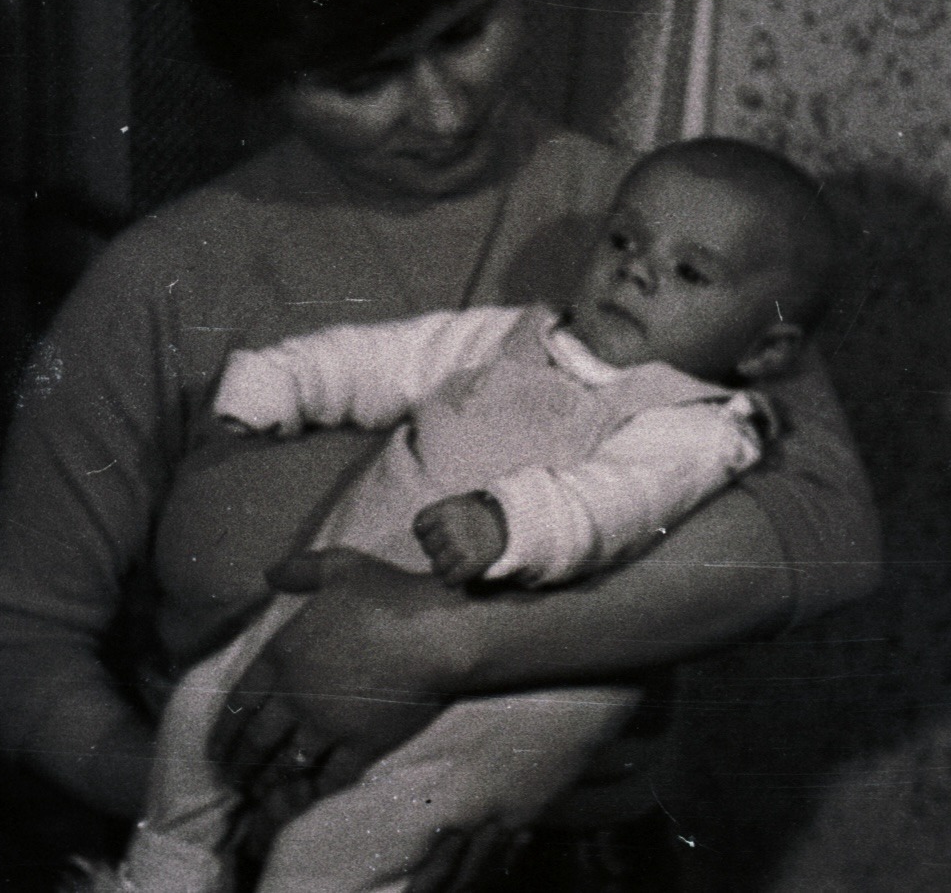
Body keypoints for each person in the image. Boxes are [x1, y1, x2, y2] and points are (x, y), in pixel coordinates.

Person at [0, 0, 881, 889]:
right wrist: (208, 788)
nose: (441, 111)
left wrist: (436, 645)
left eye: (466, 29)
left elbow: (827, 533)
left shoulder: (659, 233)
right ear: (261, 70)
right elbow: (14, 645)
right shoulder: (161, 283)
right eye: (365, 76)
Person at [108, 139, 841, 893]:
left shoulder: (700, 425)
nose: (636, 270)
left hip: (513, 692)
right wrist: (286, 380)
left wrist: (509, 520)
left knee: (331, 857)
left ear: (765, 349)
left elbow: (622, 497)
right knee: (200, 706)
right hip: (343, 599)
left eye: (689, 271)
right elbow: (390, 359)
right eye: (623, 240)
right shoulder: (513, 335)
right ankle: (164, 869)